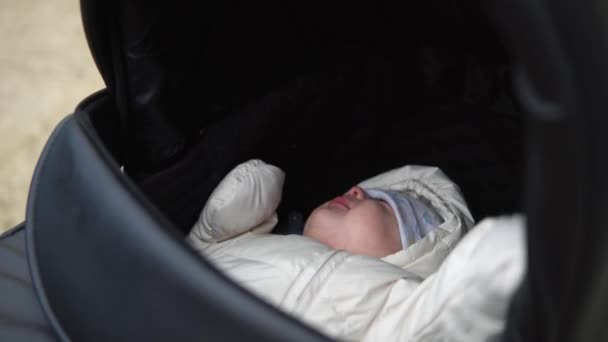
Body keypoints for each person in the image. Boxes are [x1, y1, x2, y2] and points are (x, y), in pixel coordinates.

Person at [188, 160, 525, 341]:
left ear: (413, 252)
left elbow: (456, 311)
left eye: (384, 204)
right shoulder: (254, 241)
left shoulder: (393, 315)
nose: (356, 190)